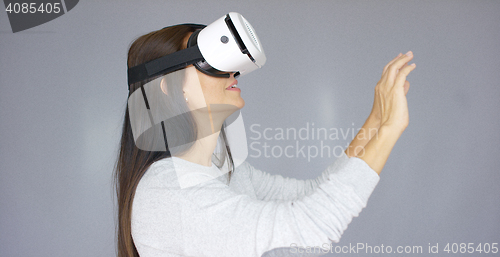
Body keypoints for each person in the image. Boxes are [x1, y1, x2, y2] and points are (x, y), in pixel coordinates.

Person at [114, 23, 416, 257]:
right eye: (210, 62)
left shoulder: (224, 169)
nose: (232, 71)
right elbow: (311, 223)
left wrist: (375, 121)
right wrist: (390, 129)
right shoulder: (170, 190)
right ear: (169, 87)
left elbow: (310, 199)